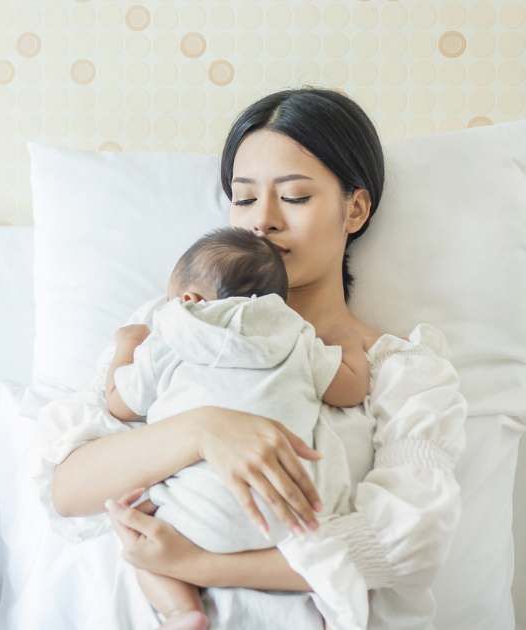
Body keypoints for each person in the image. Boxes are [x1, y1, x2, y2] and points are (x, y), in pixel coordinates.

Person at [39, 88, 467, 629]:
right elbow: (68, 490)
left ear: (354, 209)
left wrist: (198, 565)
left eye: (294, 197)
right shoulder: (171, 325)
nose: (262, 220)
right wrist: (204, 430)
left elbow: (408, 542)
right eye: (244, 198)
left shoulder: (399, 371)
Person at [99, 226, 367, 629]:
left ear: (187, 299)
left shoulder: (170, 333)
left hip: (192, 521)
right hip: (284, 520)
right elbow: (349, 390)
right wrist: (349, 348)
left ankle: (181, 611)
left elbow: (118, 405)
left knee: (130, 527)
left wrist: (127, 345)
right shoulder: (295, 334)